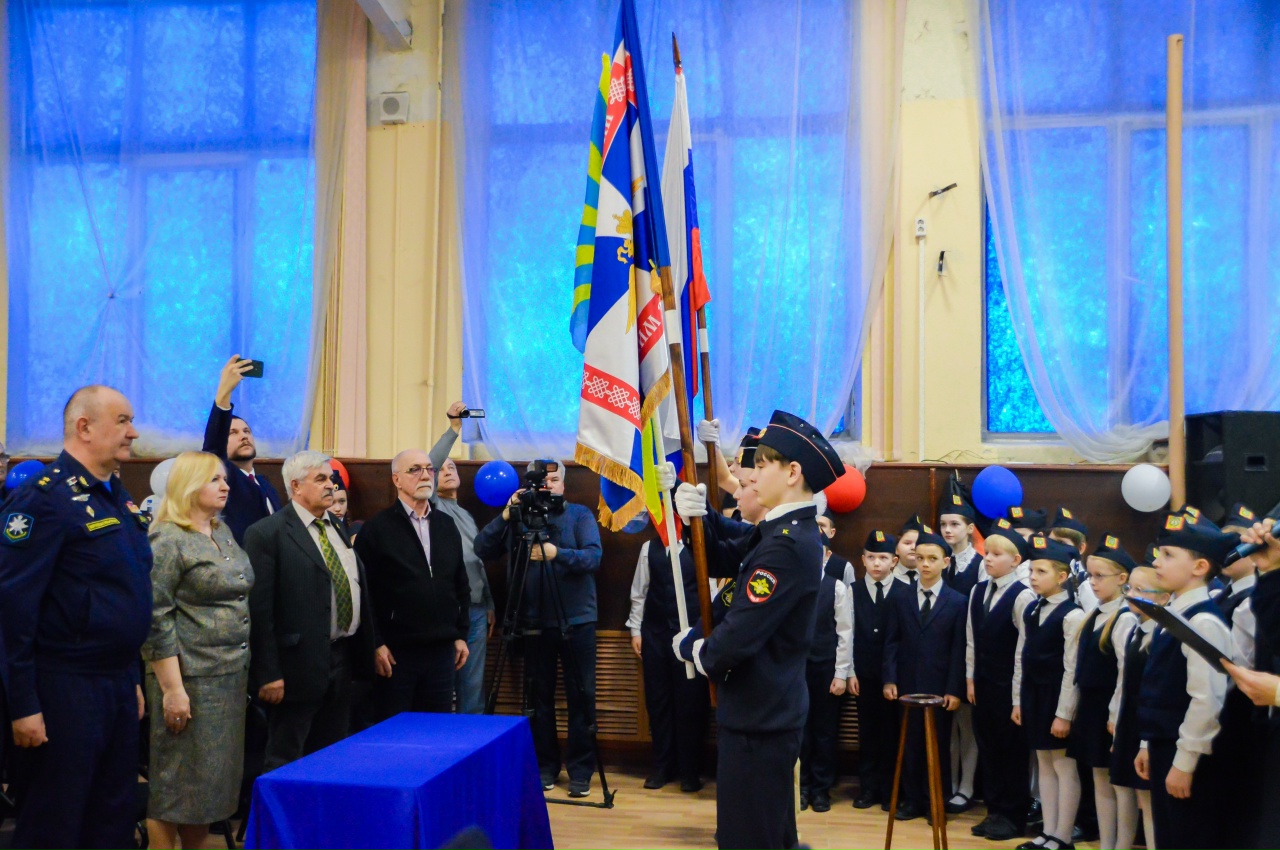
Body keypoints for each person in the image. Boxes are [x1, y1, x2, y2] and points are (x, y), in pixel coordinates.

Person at [671, 409, 843, 850]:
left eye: (762, 465)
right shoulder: (783, 531)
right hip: (763, 710)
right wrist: (696, 515)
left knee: (748, 836)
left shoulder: (787, 544)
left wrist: (697, 650)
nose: (752, 473)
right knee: (768, 831)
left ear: (791, 472)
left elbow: (742, 631)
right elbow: (729, 554)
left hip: (760, 715)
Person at [0, 385, 152, 849]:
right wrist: (23, 704)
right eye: (123, 421)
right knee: (56, 823)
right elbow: (13, 609)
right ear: (84, 427)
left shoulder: (116, 496)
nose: (134, 432)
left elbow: (123, 597)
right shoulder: (41, 500)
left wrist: (131, 677)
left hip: (114, 684)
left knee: (111, 819)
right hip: (63, 687)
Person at [142, 452, 254, 850]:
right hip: (187, 679)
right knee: (175, 786)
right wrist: (173, 689)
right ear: (189, 485)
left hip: (228, 676)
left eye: (225, 479)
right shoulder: (168, 538)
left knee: (208, 788)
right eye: (214, 480)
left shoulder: (221, 530)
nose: (225, 486)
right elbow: (155, 617)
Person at [245, 451, 381, 772]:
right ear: (295, 486)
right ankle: (277, 823)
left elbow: (354, 584)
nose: (330, 485)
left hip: (341, 659)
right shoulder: (267, 533)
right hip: (295, 667)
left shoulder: (334, 524)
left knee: (331, 755)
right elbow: (259, 611)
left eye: (330, 478)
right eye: (320, 479)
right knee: (285, 759)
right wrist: (268, 673)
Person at [473, 460, 602, 797]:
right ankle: (545, 766)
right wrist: (506, 514)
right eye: (542, 481)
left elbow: (593, 558)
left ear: (564, 484)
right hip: (532, 621)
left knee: (581, 696)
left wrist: (556, 553)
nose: (548, 486)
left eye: (555, 479)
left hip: (577, 620)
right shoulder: (519, 519)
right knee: (538, 699)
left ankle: (581, 771)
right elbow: (482, 549)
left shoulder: (580, 515)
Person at [1134, 513, 1237, 850]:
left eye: (1168, 555)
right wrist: (1149, 744)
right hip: (1166, 745)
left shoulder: (1203, 621)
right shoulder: (1174, 614)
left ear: (1200, 567)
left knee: (1188, 837)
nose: (1157, 562)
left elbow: (1207, 700)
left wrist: (1184, 762)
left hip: (1189, 755)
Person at [354, 451, 471, 717]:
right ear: (396, 479)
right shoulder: (377, 529)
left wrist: (460, 633)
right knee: (396, 735)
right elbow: (363, 593)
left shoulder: (446, 524)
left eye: (429, 469)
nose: (425, 475)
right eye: (415, 469)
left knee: (436, 732)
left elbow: (460, 583)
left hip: (442, 651)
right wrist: (375, 643)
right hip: (396, 653)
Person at [882, 529, 967, 822]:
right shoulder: (901, 596)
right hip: (906, 682)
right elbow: (891, 640)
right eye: (921, 558)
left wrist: (954, 690)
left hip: (939, 687)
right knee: (909, 744)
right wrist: (889, 678)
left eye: (933, 559)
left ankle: (936, 802)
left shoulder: (957, 601)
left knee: (938, 746)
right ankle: (913, 800)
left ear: (946, 561)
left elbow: (959, 650)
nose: (926, 564)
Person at [1013, 535, 1086, 850]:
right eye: (1032, 570)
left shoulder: (1072, 615)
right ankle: (1048, 830)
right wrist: (1018, 699)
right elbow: (1022, 655)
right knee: (1043, 761)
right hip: (1034, 694)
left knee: (1063, 765)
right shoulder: (1032, 609)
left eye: (1042, 571)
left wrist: (1064, 714)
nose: (1033, 577)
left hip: (1056, 697)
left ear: (1062, 576)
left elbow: (1072, 670)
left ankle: (1063, 835)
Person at [1067, 536, 1139, 850]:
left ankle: (1121, 844)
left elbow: (1125, 673)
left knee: (1119, 784)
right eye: (1090, 576)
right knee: (1098, 778)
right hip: (1091, 707)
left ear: (1122, 579)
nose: (1093, 583)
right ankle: (1106, 842)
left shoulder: (1123, 619)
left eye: (1100, 576)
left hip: (1109, 710)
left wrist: (1115, 714)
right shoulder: (1095, 614)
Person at [967, 520, 1036, 842]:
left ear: (1016, 561)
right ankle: (994, 810)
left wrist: (1018, 697)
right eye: (987, 553)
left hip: (1008, 688)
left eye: (997, 554)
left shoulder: (1022, 596)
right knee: (989, 749)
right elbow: (971, 640)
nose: (989, 559)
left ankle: (1013, 815)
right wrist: (969, 678)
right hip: (982, 684)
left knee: (1011, 752)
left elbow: (1024, 649)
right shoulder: (978, 591)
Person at [626, 534, 711, 793]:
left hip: (691, 638)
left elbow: (712, 593)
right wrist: (635, 631)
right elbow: (639, 592)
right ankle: (662, 767)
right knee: (658, 702)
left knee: (691, 705)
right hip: (655, 636)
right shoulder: (648, 548)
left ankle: (690, 771)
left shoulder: (701, 544)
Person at [428, 403, 497, 715]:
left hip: (478, 609)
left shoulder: (466, 515)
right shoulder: (431, 508)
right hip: (449, 609)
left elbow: (477, 560)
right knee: (444, 688)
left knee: (472, 687)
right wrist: (454, 429)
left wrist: (490, 604)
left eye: (453, 467)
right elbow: (429, 465)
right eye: (444, 469)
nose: (448, 469)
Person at [1109, 565, 1167, 850]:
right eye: (1129, 588)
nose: (1132, 594)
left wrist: (1145, 741)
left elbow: (1153, 692)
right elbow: (1124, 682)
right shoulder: (1134, 630)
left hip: (1146, 727)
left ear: (1163, 597)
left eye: (1141, 590)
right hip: (1129, 722)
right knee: (1124, 789)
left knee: (1148, 801)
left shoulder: (1159, 635)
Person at [799, 513, 853, 813]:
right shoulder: (792, 584)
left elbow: (845, 633)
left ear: (827, 554)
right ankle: (803, 786)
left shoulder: (836, 587)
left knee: (824, 731)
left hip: (825, 669)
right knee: (800, 729)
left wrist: (841, 674)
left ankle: (821, 789)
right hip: (797, 670)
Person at [204, 356, 282, 544]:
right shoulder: (227, 478)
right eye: (233, 433)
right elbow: (213, 448)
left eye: (247, 431)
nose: (243, 436)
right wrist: (224, 393)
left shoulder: (265, 484)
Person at [850, 529, 900, 811]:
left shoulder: (905, 591)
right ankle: (868, 789)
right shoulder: (853, 591)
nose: (877, 563)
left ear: (894, 561)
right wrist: (850, 672)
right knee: (867, 733)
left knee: (892, 734)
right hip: (865, 675)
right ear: (863, 560)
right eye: (871, 557)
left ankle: (890, 790)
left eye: (883, 557)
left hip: (893, 678)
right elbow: (847, 633)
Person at [938, 492, 982, 814]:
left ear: (970, 528)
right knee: (945, 725)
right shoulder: (939, 562)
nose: (947, 530)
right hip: (940, 654)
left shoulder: (979, 567)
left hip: (966, 653)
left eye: (955, 524)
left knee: (966, 725)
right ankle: (948, 783)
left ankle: (967, 786)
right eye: (943, 524)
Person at [895, 515, 927, 586]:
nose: (913, 547)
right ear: (896, 549)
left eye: (918, 543)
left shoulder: (932, 578)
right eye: (907, 543)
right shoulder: (887, 578)